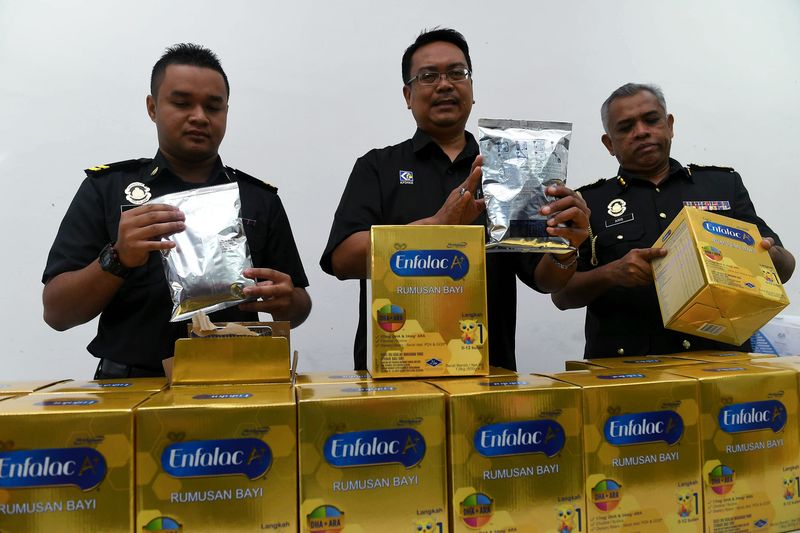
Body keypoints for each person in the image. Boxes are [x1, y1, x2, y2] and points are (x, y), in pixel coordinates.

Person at [320, 28, 589, 371]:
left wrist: (567, 248)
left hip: (489, 369)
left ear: (471, 88)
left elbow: (545, 279)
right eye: (429, 76)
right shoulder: (377, 167)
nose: (445, 84)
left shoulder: (512, 167)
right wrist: (436, 229)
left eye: (457, 73)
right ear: (408, 94)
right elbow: (343, 261)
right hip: (397, 368)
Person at [42, 43, 311, 378]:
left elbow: (299, 306)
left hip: (238, 384)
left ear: (226, 112)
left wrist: (287, 302)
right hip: (130, 386)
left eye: (214, 107)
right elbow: (57, 313)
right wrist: (118, 257)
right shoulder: (107, 189)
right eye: (182, 103)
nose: (199, 116)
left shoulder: (258, 198)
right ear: (152, 107)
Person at [552, 82, 795, 357]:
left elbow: (784, 269)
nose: (642, 132)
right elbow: (561, 296)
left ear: (669, 125)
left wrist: (766, 254)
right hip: (627, 372)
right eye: (626, 127)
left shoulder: (722, 185)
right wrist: (612, 273)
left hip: (721, 362)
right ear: (609, 143)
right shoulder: (587, 203)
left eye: (651, 120)